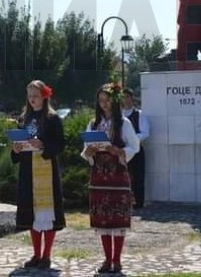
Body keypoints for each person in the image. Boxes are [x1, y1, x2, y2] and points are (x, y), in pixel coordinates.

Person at [82, 82, 140, 274]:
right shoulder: (93, 123)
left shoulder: (124, 123)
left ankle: (117, 260)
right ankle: (107, 259)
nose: (103, 104)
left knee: (118, 217)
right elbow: (86, 147)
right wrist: (89, 151)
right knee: (102, 218)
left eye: (107, 100)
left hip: (117, 174)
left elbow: (135, 146)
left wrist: (119, 150)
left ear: (113, 102)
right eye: (100, 101)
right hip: (99, 175)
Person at [11, 80, 66, 271]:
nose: (32, 99)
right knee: (32, 212)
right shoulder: (23, 118)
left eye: (35, 95)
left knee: (47, 213)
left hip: (46, 169)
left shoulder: (52, 119)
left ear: (44, 96)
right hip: (28, 170)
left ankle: (46, 255)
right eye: (29, 95)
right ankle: (35, 254)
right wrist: (16, 149)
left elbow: (60, 144)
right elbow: (17, 141)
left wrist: (42, 145)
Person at [122, 87, 150, 209]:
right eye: (123, 97)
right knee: (124, 176)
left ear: (132, 98)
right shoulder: (119, 116)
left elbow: (145, 133)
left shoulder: (140, 115)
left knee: (138, 177)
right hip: (123, 150)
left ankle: (139, 202)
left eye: (128, 97)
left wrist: (132, 139)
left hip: (137, 150)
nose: (126, 100)